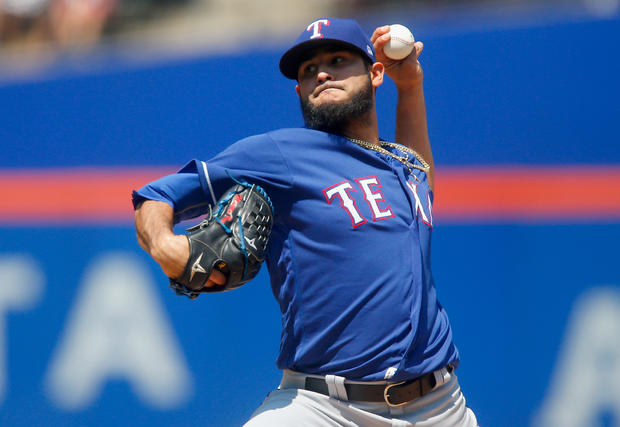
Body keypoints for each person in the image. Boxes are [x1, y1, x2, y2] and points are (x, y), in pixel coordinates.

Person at [132, 18, 478, 426]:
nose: (323, 73)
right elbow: (157, 196)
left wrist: (411, 87)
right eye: (308, 70)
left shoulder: (401, 167)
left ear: (376, 73)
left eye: (338, 59)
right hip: (323, 407)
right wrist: (165, 247)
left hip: (440, 406)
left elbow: (420, 176)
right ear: (300, 92)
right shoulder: (280, 153)